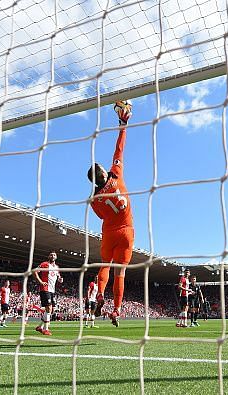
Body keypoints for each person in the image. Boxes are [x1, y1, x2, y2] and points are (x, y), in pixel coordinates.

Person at [89, 100, 134, 328]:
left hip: (109, 233)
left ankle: (99, 295)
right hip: (126, 231)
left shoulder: (94, 200)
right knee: (121, 273)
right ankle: (116, 310)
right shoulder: (116, 173)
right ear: (105, 172)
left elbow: (99, 215)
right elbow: (119, 149)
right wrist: (122, 124)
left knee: (105, 265)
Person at [33, 251, 63, 336]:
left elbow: (58, 277)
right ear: (48, 256)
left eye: (54, 255)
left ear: (56, 257)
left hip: (52, 290)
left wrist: (60, 280)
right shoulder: (45, 264)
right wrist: (41, 282)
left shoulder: (57, 267)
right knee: (49, 308)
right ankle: (46, 329)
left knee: (51, 310)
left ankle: (39, 327)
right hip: (45, 289)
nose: (53, 256)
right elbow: (34, 271)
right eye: (51, 255)